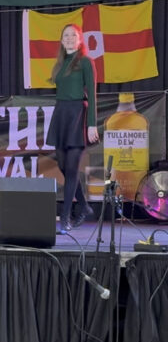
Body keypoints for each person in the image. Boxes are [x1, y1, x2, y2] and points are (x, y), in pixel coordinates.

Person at [47, 23, 99, 234]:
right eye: (65, 35)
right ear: (61, 40)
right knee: (63, 165)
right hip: (61, 113)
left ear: (80, 40)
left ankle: (66, 218)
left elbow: (93, 94)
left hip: (78, 114)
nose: (69, 38)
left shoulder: (86, 62)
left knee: (71, 168)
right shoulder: (60, 63)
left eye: (73, 35)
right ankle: (84, 205)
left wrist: (92, 124)